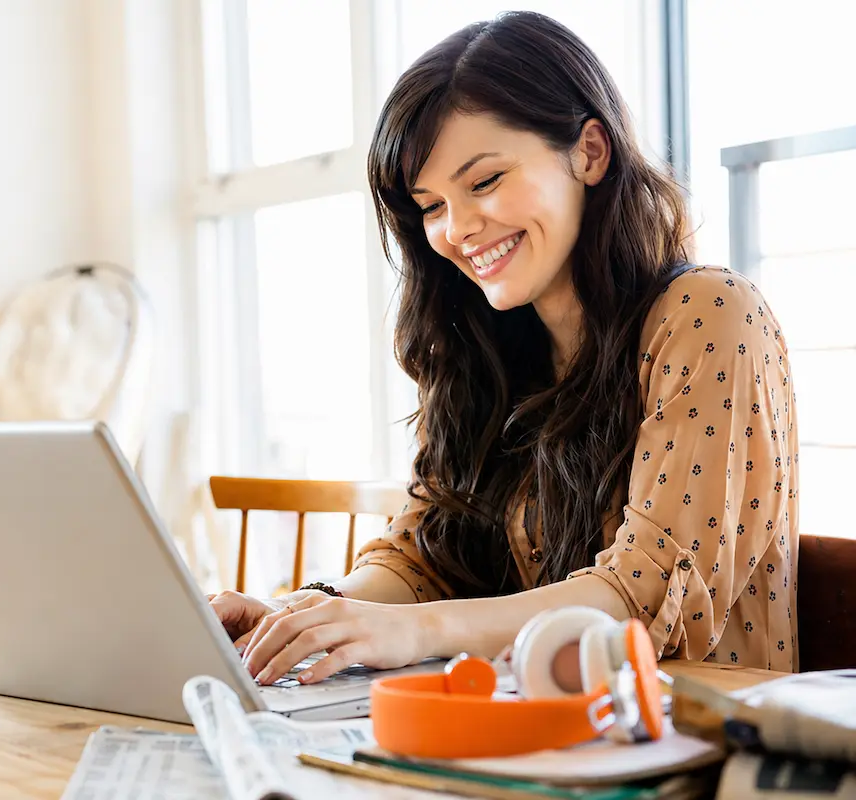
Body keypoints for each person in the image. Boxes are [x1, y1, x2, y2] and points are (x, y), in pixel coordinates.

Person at [210, 10, 799, 688]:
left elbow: (640, 597)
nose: (457, 230)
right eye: (430, 205)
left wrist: (415, 630)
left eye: (484, 181)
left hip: (694, 753)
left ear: (590, 152)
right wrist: (304, 615)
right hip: (538, 739)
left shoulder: (711, 315)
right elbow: (423, 555)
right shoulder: (489, 346)